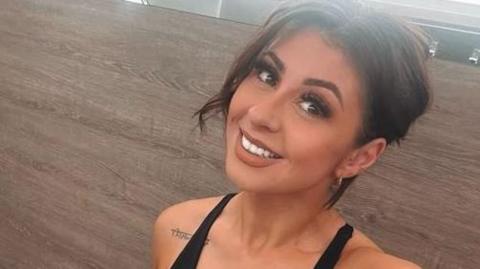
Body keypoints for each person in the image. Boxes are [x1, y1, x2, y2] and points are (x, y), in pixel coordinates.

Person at [152, 0, 431, 268]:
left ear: (359, 157)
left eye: (312, 105)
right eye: (267, 75)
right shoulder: (176, 228)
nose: (260, 114)